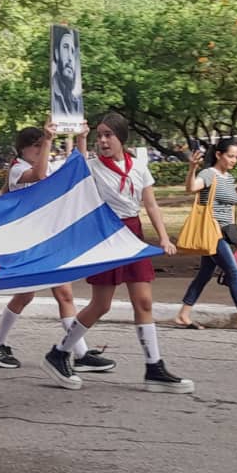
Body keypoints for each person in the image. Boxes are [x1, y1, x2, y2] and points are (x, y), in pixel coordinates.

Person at [40, 113, 194, 394]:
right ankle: (59, 353)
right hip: (108, 235)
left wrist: (163, 237)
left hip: (133, 234)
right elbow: (77, 165)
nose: (103, 140)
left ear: (121, 137)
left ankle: (154, 367)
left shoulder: (139, 167)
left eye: (108, 135)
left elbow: (151, 204)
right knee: (101, 304)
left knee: (143, 301)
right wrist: (80, 138)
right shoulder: (93, 167)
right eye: (99, 135)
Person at [0, 123, 115, 373]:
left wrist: (82, 138)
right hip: (28, 241)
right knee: (27, 295)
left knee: (63, 294)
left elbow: (76, 169)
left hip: (46, 238)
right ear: (23, 149)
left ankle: (79, 352)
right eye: (35, 146)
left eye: (40, 145)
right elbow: (40, 175)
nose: (39, 149)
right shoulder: (17, 169)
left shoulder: (44, 163)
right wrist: (48, 140)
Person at [172, 139, 237, 332]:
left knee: (205, 274)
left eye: (236, 156)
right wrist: (192, 168)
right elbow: (191, 188)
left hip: (223, 233)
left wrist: (234, 236)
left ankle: (183, 315)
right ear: (219, 154)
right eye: (230, 156)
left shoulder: (228, 178)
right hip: (211, 232)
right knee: (234, 272)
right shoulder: (208, 174)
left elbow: (225, 209)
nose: (234, 160)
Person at [51, 28, 83, 120]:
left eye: (72, 51)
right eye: (65, 47)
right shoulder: (52, 96)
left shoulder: (77, 102)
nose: (70, 58)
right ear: (57, 53)